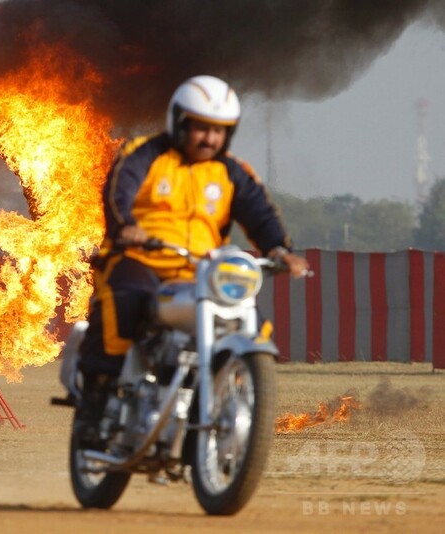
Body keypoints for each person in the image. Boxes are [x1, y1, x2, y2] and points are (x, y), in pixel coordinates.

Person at [76, 75, 309, 437]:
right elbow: (118, 192)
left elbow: (260, 214)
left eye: (219, 130)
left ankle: (220, 396)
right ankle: (95, 405)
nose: (209, 138)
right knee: (121, 305)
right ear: (180, 122)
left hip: (202, 270)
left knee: (248, 318)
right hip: (139, 260)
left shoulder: (231, 172)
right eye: (201, 128)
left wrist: (279, 249)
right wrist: (127, 228)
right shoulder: (144, 153)